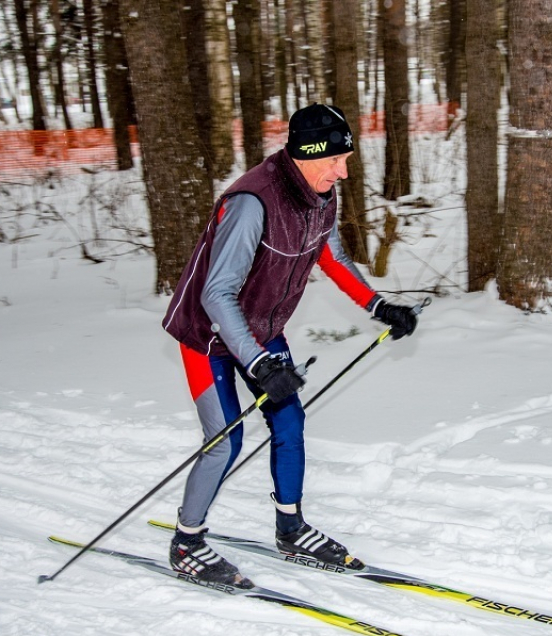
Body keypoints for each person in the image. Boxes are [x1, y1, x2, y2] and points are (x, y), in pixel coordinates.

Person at [161, 103, 418, 587]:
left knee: (289, 421)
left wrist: (378, 305)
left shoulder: (320, 195)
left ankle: (291, 528)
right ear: (307, 154)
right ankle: (186, 542)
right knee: (225, 441)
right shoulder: (251, 203)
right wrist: (259, 363)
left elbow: (332, 256)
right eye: (335, 160)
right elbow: (216, 293)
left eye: (345, 160)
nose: (343, 172)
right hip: (207, 335)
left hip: (261, 328)